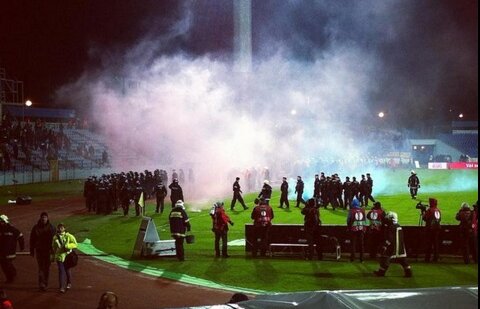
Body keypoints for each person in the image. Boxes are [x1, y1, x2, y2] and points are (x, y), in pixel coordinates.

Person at [373, 212, 413, 277]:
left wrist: (385, 246)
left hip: (393, 247)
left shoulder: (391, 227)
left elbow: (389, 238)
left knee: (385, 259)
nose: (387, 220)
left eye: (388, 218)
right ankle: (408, 273)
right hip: (400, 247)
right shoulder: (399, 226)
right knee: (403, 261)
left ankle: (381, 272)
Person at [30, 212, 56, 291]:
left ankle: (45, 282)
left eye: (45, 217)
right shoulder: (35, 227)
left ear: (47, 218)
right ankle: (42, 283)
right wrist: (32, 250)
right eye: (42, 217)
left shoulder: (52, 227)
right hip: (39, 250)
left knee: (47, 267)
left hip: (48, 250)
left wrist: (54, 251)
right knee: (41, 267)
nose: (44, 219)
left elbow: (55, 240)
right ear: (40, 218)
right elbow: (32, 239)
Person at [52, 223, 77, 293]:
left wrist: (68, 246)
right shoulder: (55, 237)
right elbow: (53, 247)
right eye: (59, 228)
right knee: (61, 271)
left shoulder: (69, 236)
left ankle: (69, 283)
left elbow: (75, 244)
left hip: (67, 256)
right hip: (59, 257)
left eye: (62, 228)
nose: (60, 229)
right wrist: (53, 255)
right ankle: (61, 287)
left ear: (64, 228)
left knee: (67, 270)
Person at [0, 214, 24, 284]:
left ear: (5, 221)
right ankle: (11, 274)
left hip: (10, 252)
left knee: (7, 264)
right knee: (3, 265)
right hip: (1, 252)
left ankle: (10, 277)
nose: (1, 223)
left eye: (2, 222)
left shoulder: (12, 229)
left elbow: (20, 236)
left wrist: (21, 247)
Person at [422, 197, 441, 262]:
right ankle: (436, 258)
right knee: (436, 244)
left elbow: (424, 218)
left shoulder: (430, 210)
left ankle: (427, 258)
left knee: (429, 244)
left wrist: (423, 213)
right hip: (437, 229)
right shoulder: (437, 210)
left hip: (430, 229)